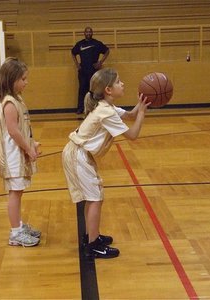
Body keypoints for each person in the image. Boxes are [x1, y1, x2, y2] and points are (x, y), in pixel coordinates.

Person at [62, 68, 150, 259]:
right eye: (119, 82)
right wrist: (142, 113)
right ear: (108, 90)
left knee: (94, 197)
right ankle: (92, 246)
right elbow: (133, 135)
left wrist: (141, 104)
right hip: (78, 155)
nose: (123, 84)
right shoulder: (106, 112)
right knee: (95, 198)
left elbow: (130, 115)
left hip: (79, 153)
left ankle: (91, 236)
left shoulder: (106, 106)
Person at [0, 57, 41, 247]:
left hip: (19, 152)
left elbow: (21, 128)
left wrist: (32, 142)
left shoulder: (17, 99)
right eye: (23, 79)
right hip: (13, 156)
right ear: (12, 80)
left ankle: (19, 226)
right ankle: (15, 232)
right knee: (14, 193)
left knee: (19, 191)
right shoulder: (9, 104)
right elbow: (13, 131)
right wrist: (28, 148)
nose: (26, 82)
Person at [72, 27, 110, 114]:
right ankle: (80, 108)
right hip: (83, 71)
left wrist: (100, 62)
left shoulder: (97, 43)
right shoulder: (80, 44)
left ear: (92, 33)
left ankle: (94, 107)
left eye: (90, 32)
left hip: (93, 71)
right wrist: (77, 64)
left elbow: (107, 51)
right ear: (84, 33)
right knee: (82, 89)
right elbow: (73, 53)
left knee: (93, 89)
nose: (88, 33)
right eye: (87, 32)